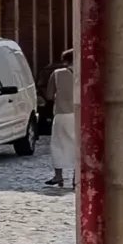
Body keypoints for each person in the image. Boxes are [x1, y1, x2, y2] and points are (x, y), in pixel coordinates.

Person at [51, 51, 78, 191]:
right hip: (78, 114)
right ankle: (75, 178)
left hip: (61, 113)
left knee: (57, 144)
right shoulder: (83, 73)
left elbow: (49, 94)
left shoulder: (57, 73)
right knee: (77, 145)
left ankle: (58, 176)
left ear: (64, 61)